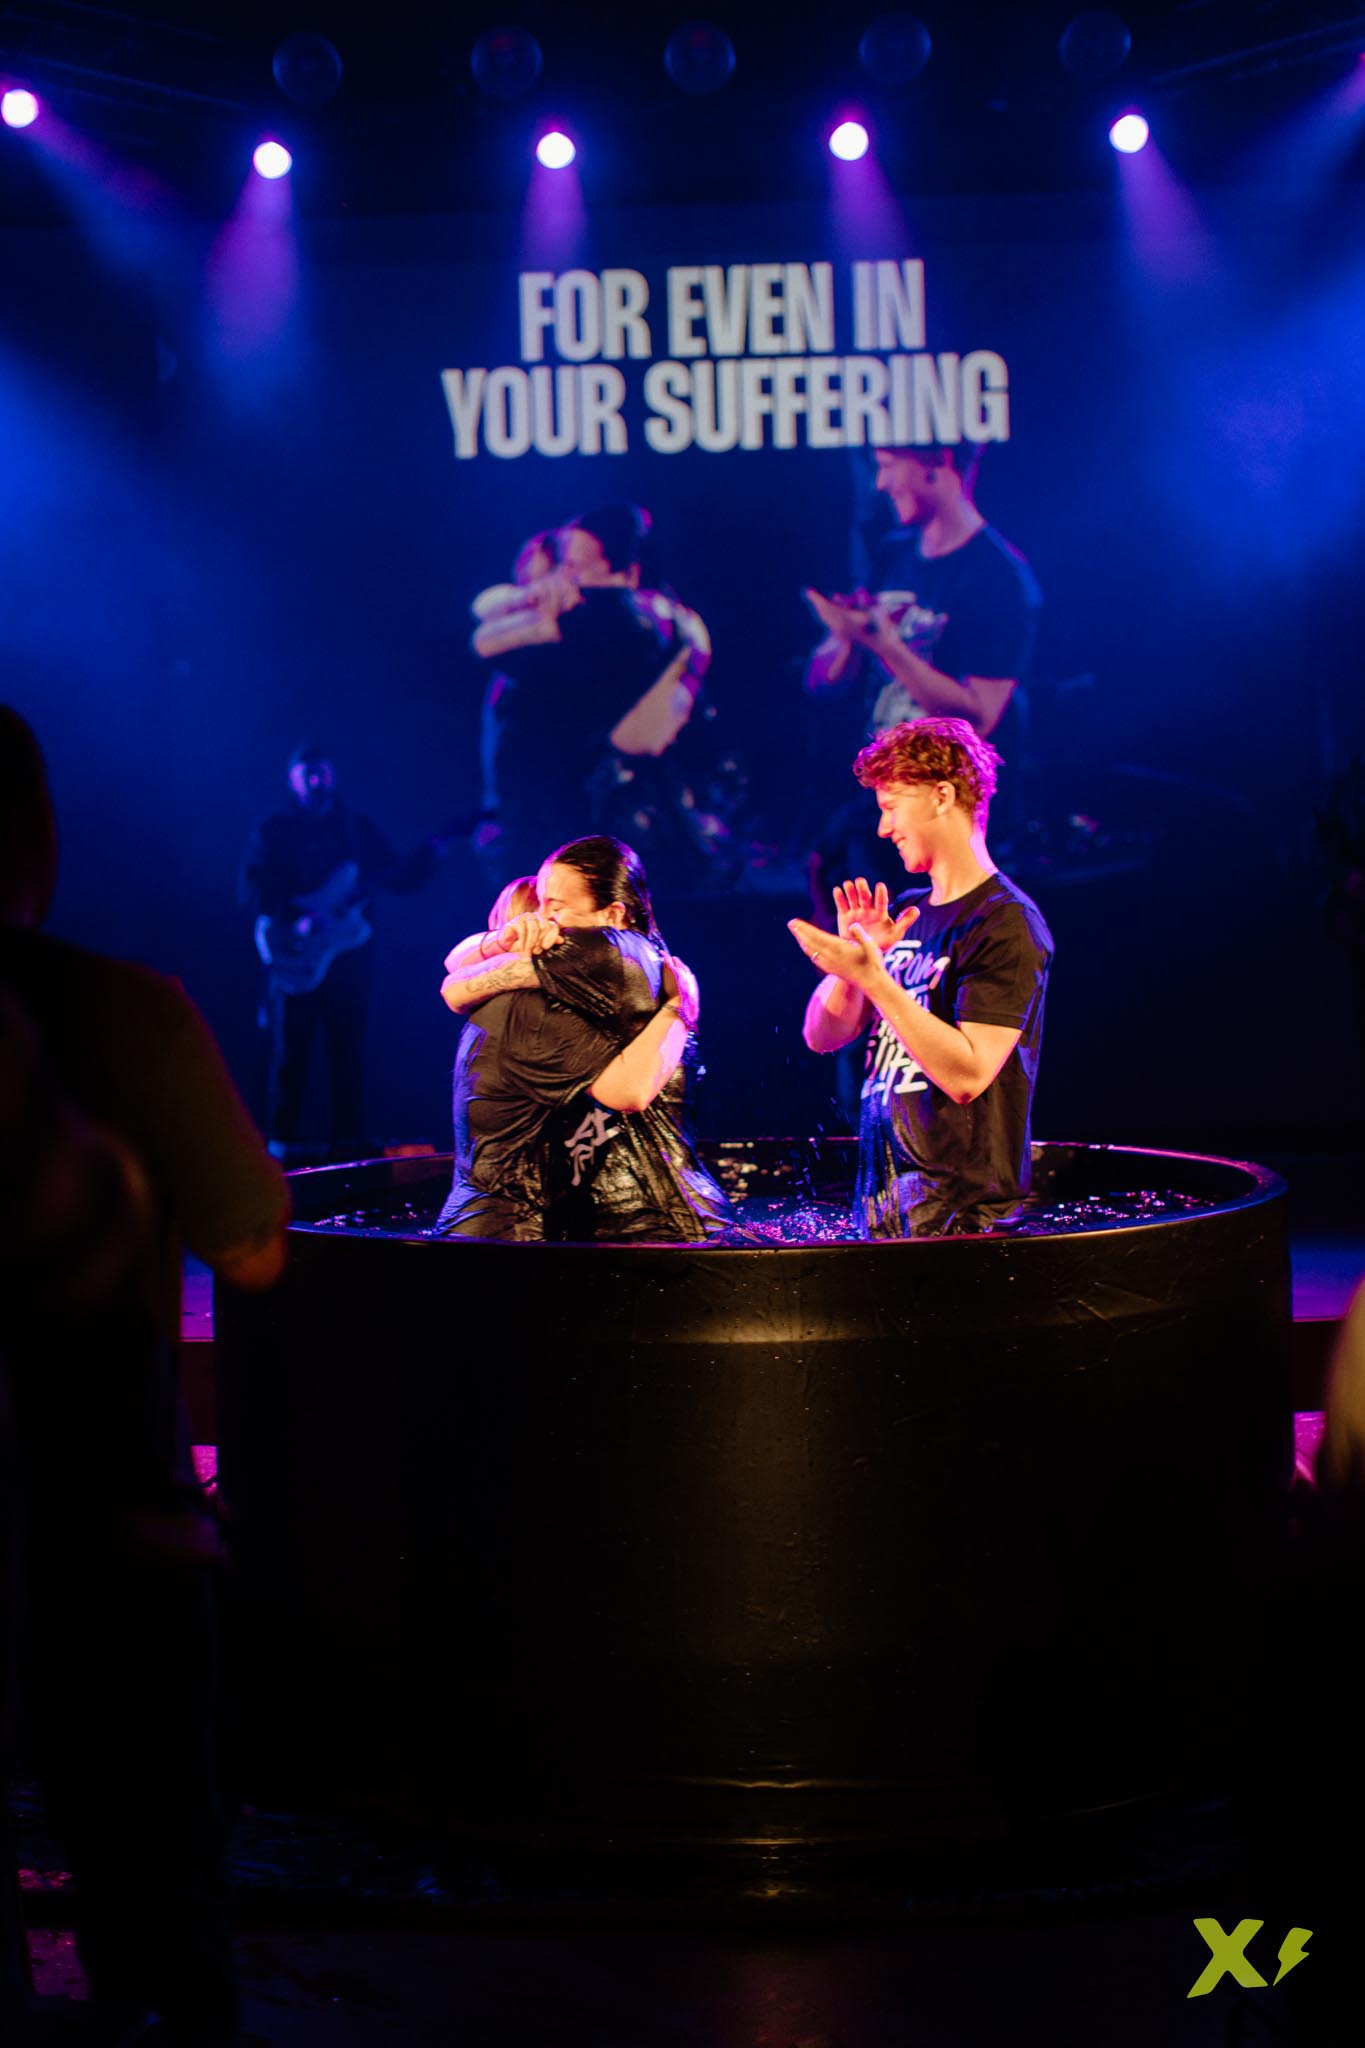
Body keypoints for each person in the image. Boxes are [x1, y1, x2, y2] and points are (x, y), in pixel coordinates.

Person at [0, 704, 289, 2045]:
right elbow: (253, 1249)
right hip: (107, 1522)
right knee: (159, 1903)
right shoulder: (125, 1009)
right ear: (40, 836)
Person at [790, 716, 1052, 1239]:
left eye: (891, 806)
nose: (883, 828)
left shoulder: (1006, 922)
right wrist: (853, 970)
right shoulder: (907, 912)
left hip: (963, 1219)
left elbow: (968, 1076)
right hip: (889, 1200)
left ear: (942, 796)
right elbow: (821, 1036)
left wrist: (877, 981)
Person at [434, 836, 721, 1242]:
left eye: (554, 908)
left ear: (614, 914)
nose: (541, 925)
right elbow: (454, 981)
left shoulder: (611, 957)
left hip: (655, 1230)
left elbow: (628, 1091)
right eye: (533, 911)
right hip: (527, 1236)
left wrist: (679, 1010)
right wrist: (680, 1009)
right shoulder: (635, 978)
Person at [802, 444, 1041, 896]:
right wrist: (848, 637)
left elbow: (978, 716)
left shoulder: (999, 579)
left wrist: (887, 646)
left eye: (889, 467)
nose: (880, 484)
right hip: (880, 806)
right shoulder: (892, 555)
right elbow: (821, 684)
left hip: (948, 823)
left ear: (937, 463)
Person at [470, 507, 716, 887]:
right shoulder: (673, 619)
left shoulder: (604, 616)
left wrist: (539, 612)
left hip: (571, 822)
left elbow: (484, 640)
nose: (563, 578)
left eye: (572, 565)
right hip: (605, 819)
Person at [241, 743, 454, 1163]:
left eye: (322, 771)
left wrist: (435, 851)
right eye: (307, 773)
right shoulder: (273, 830)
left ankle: (348, 1149)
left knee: (348, 1052)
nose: (316, 780)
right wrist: (293, 917)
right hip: (296, 954)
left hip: (348, 959)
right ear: (292, 780)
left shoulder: (356, 829)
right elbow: (251, 886)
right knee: (290, 1051)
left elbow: (400, 877)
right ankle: (281, 1147)